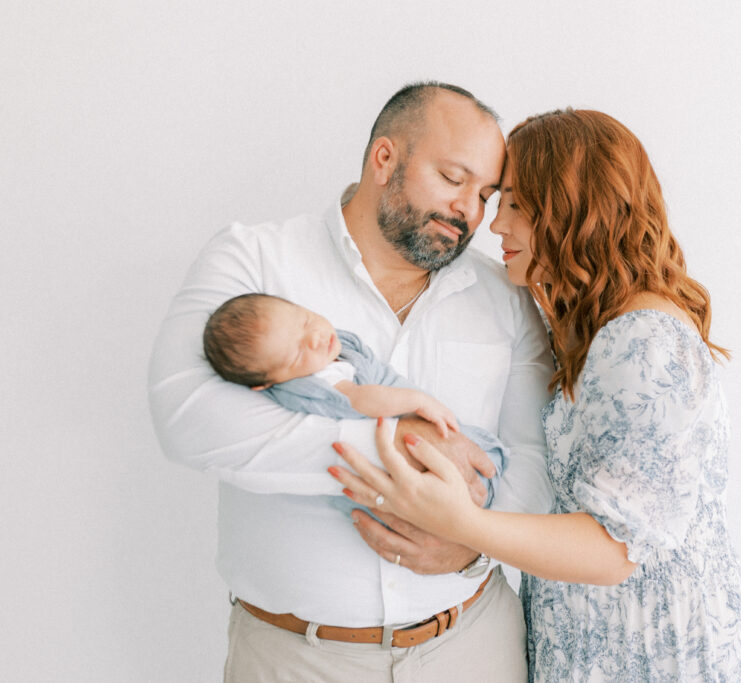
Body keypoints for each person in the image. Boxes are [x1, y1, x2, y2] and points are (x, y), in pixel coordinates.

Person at [331, 109, 741, 681]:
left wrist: (461, 526)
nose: (494, 225)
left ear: (577, 208)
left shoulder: (643, 340)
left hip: (659, 655)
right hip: (594, 647)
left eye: (516, 204)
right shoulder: (584, 323)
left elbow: (614, 549)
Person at [148, 82, 554, 682]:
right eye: (452, 178)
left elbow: (536, 460)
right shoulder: (254, 259)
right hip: (293, 659)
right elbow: (186, 418)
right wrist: (417, 458)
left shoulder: (506, 296)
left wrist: (472, 539)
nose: (470, 210)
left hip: (472, 647)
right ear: (384, 159)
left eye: (487, 193)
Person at [202, 292, 508, 507]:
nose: (316, 338)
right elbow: (360, 399)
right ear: (266, 383)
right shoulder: (316, 383)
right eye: (297, 352)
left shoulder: (328, 356)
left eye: (306, 321)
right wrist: (417, 401)